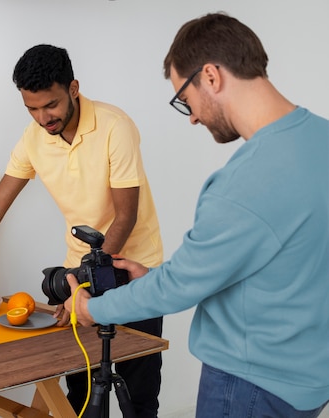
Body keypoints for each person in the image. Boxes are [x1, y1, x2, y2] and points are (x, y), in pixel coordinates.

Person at [65, 12, 329, 418]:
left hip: (248, 386)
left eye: (184, 99)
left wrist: (90, 310)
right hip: (308, 381)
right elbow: (272, 264)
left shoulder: (244, 181)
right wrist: (154, 278)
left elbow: (179, 288)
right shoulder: (321, 139)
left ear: (211, 76)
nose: (191, 116)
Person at [0, 44, 164, 417]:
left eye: (50, 105)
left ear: (73, 88)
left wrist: (86, 282)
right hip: (79, 273)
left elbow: (125, 216)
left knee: (139, 394)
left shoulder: (114, 126)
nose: (43, 117)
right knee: (83, 394)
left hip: (135, 269)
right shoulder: (33, 138)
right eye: (32, 108)